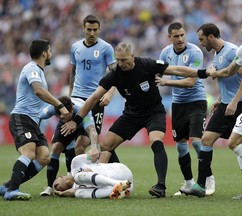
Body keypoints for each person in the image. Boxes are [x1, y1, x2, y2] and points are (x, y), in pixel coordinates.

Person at [60, 41, 208, 198]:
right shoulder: (114, 74)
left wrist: (201, 73)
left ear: (132, 56)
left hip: (154, 112)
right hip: (132, 114)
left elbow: (176, 69)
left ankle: (160, 186)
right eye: (118, 60)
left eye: (124, 60)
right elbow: (93, 98)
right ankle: (108, 180)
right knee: (106, 145)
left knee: (156, 142)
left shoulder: (147, 65)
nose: (121, 63)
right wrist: (76, 120)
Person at [184, 23, 242, 199]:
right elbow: (227, 81)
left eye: (202, 39)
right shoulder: (217, 54)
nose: (201, 43)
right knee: (206, 139)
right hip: (225, 104)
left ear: (211, 37)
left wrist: (235, 101)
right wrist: (221, 99)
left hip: (240, 103)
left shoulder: (231, 50)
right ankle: (201, 185)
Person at [0, 39, 69, 201]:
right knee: (29, 153)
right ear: (44, 53)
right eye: (50, 50)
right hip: (21, 117)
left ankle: (7, 186)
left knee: (44, 156)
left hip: (33, 121)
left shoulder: (39, 71)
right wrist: (59, 105)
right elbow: (38, 91)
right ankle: (13, 190)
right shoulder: (31, 68)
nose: (51, 53)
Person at [155, 22, 215, 196]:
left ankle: (208, 178)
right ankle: (189, 183)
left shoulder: (195, 52)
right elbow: (157, 73)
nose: (180, 39)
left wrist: (167, 81)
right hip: (178, 104)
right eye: (176, 36)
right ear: (169, 37)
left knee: (197, 141)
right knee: (181, 147)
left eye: (182, 35)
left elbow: (190, 82)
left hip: (197, 102)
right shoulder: (165, 52)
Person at [69, 14, 117, 145]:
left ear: (99, 29)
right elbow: (73, 72)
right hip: (77, 97)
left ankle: (98, 161)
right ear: (83, 28)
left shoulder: (106, 48)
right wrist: (70, 95)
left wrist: (109, 93)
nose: (92, 33)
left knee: (90, 140)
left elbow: (116, 74)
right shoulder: (75, 47)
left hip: (96, 98)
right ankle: (77, 165)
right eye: (89, 29)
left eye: (95, 30)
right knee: (76, 142)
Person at [40, 96, 101, 196]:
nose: (62, 118)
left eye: (64, 116)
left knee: (81, 144)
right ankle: (49, 187)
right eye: (59, 116)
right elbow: (37, 116)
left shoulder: (83, 110)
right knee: (55, 148)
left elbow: (92, 130)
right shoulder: (54, 108)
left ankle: (78, 180)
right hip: (65, 126)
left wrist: (94, 147)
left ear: (72, 110)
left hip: (81, 127)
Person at [52, 153, 133, 199]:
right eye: (56, 190)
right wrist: (61, 194)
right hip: (128, 186)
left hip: (118, 171)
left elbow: (103, 154)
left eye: (55, 185)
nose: (57, 188)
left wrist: (96, 168)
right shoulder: (75, 189)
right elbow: (74, 192)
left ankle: (116, 183)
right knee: (79, 193)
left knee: (78, 177)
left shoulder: (76, 163)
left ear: (60, 176)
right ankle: (116, 190)